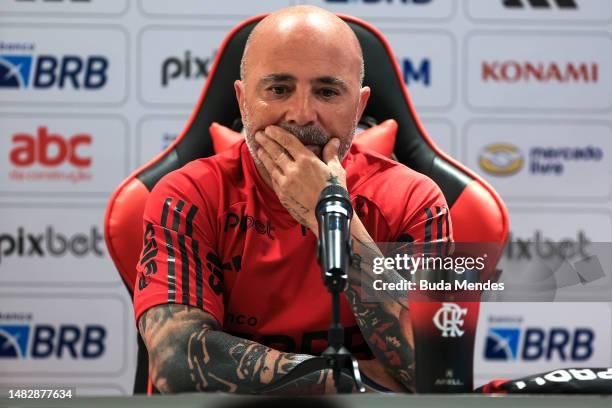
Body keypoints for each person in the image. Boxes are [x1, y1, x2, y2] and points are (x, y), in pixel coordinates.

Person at [134, 5, 452, 394]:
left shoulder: (414, 200)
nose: (302, 116)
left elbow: (437, 371)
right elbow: (179, 363)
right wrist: (352, 381)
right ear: (242, 100)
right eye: (279, 89)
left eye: (327, 91)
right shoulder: (188, 196)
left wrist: (330, 212)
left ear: (360, 107)